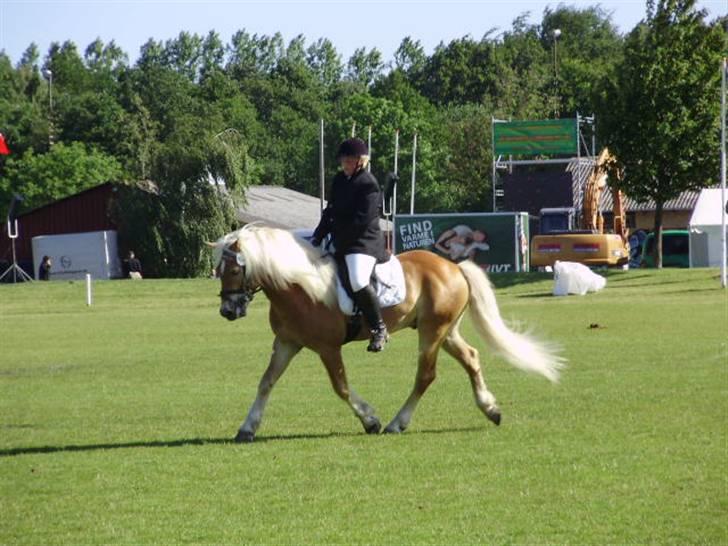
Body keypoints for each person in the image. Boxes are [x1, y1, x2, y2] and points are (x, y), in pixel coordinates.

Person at [311, 137, 389, 352]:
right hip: (343, 241)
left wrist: (338, 237)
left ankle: (378, 328)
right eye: (343, 160)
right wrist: (319, 234)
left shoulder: (369, 184)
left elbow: (362, 221)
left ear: (360, 161)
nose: (345, 164)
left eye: (349, 160)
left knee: (357, 280)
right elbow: (331, 211)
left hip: (364, 242)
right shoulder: (339, 180)